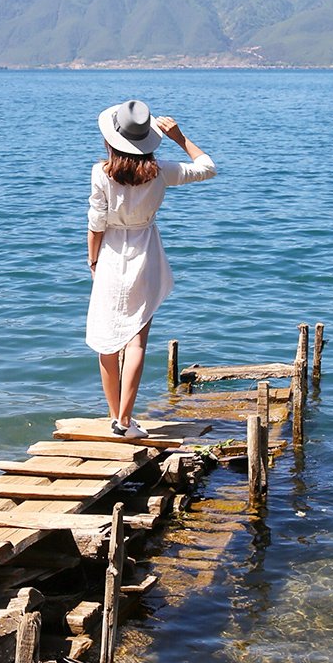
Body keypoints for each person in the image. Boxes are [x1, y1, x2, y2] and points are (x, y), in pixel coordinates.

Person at [87, 99, 216, 439]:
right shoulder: (162, 172)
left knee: (106, 341)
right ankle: (125, 421)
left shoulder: (101, 173)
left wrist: (93, 260)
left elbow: (96, 223)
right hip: (146, 253)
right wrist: (180, 137)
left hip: (112, 252)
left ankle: (117, 419)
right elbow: (208, 167)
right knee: (137, 340)